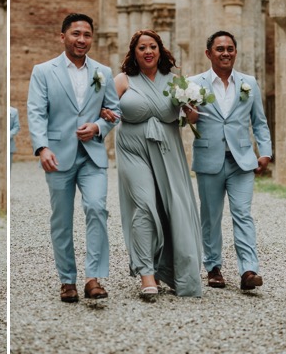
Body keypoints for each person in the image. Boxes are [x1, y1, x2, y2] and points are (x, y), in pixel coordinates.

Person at [27, 13, 120, 303]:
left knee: (96, 209)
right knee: (61, 220)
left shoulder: (103, 72)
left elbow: (114, 110)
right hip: (57, 155)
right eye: (76, 34)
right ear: (63, 36)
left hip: (92, 155)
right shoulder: (43, 71)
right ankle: (67, 280)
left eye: (87, 35)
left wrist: (98, 126)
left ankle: (93, 278)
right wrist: (42, 148)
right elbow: (37, 111)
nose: (82, 40)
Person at [112, 29, 203, 299]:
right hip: (132, 149)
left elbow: (194, 118)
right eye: (142, 48)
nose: (148, 51)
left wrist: (191, 107)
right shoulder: (122, 80)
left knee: (173, 208)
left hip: (167, 150)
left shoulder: (176, 82)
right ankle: (146, 274)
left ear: (160, 50)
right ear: (134, 53)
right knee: (144, 204)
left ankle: (172, 271)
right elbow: (104, 110)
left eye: (153, 46)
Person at [187, 31, 272, 291]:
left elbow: (259, 122)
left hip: (242, 160)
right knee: (210, 216)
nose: (226, 53)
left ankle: (249, 269)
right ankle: (213, 267)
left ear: (235, 51)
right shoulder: (193, 83)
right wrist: (188, 115)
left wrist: (265, 152)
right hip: (209, 157)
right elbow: (183, 119)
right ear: (208, 53)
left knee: (243, 214)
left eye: (230, 49)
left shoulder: (249, 83)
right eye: (220, 49)